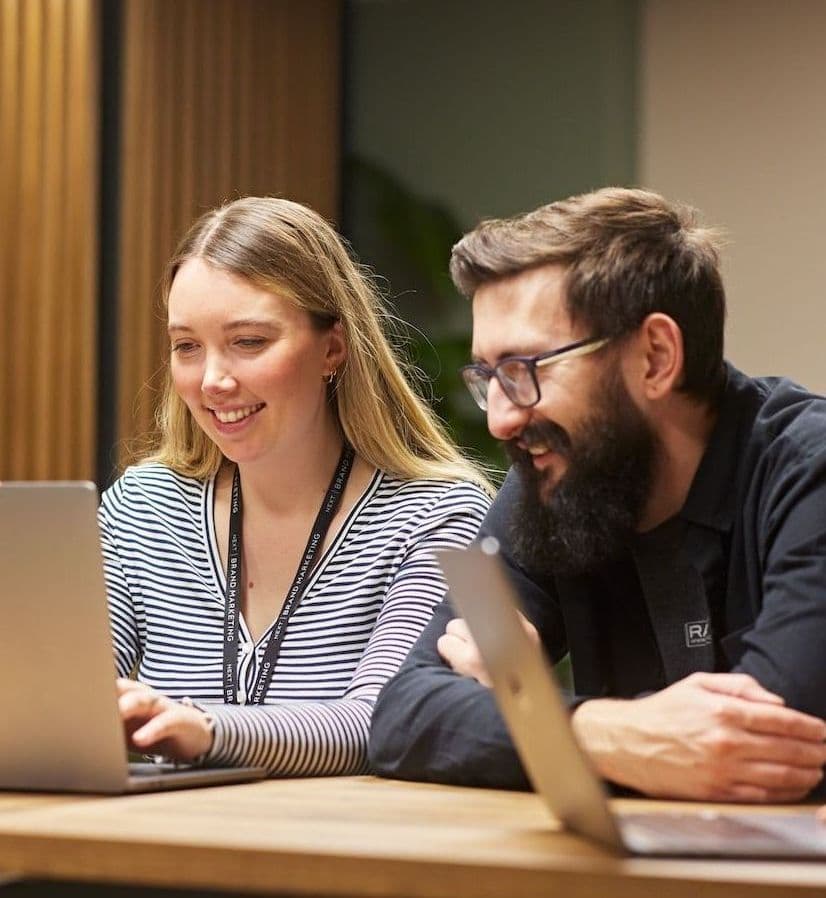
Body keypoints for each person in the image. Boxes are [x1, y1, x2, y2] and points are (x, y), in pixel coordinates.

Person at [369, 187, 826, 802]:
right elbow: (405, 715)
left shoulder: (809, 472)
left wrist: (528, 714)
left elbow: (767, 749)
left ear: (656, 358)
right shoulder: (554, 482)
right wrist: (605, 736)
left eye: (525, 370)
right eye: (488, 378)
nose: (501, 420)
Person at [100, 196, 491, 776]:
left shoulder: (438, 515)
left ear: (332, 347)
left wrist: (205, 729)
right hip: (154, 851)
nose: (212, 380)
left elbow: (386, 721)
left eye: (249, 341)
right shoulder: (143, 506)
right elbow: (67, 699)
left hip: (336, 859)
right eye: (187, 346)